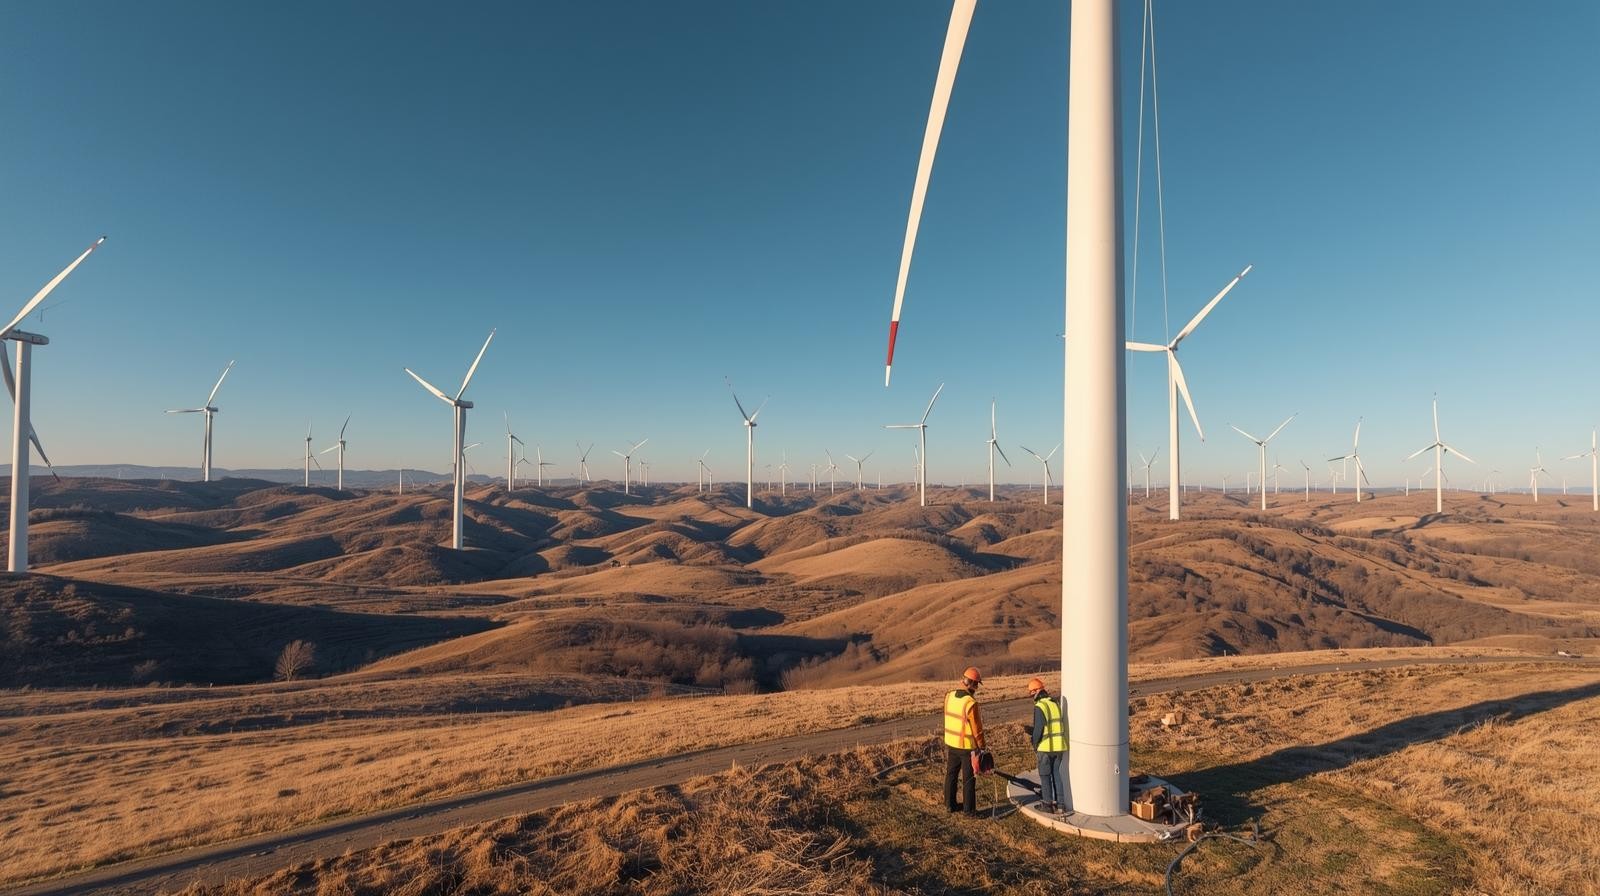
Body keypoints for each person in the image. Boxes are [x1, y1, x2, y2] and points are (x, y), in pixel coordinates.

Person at [943, 666, 986, 815]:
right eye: (976, 685)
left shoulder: (949, 696)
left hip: (951, 743)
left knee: (951, 774)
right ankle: (969, 811)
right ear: (973, 684)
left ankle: (950, 805)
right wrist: (982, 746)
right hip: (966, 746)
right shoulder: (970, 703)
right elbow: (977, 729)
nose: (976, 688)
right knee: (968, 778)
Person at [1028, 676, 1068, 814]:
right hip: (1059, 748)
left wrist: (1034, 743)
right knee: (1057, 775)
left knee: (1045, 776)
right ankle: (1061, 805)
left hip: (1045, 748)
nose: (1031, 696)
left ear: (1036, 692)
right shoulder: (1054, 703)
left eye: (1031, 693)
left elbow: (1038, 729)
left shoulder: (1040, 706)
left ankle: (1047, 804)